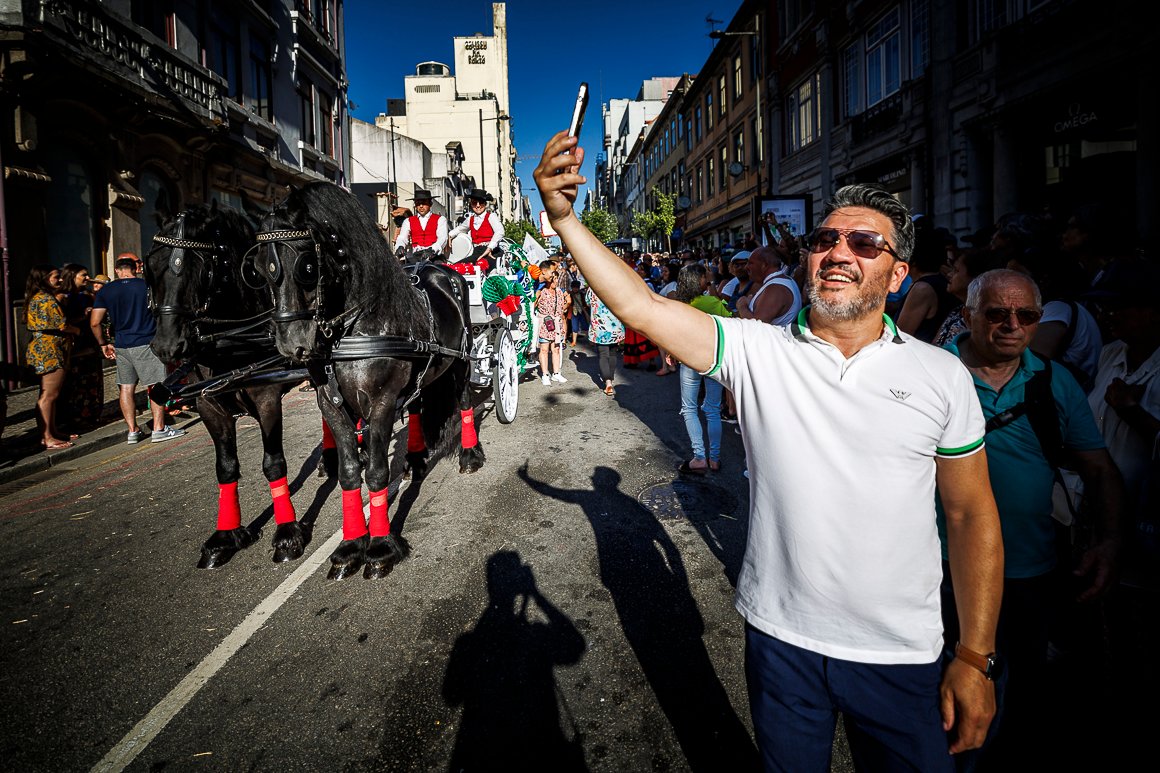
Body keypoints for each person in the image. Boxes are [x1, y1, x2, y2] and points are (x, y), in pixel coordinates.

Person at [535, 130, 1004, 770]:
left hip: (902, 654)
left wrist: (975, 656)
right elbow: (640, 305)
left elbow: (971, 516)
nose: (839, 253)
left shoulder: (941, 374)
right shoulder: (760, 350)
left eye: (864, 243)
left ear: (897, 274)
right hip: (782, 643)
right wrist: (564, 219)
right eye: (824, 240)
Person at [938, 268, 1123, 769]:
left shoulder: (1053, 381)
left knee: (1020, 698)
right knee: (942, 699)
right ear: (970, 316)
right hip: (939, 570)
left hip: (1029, 573)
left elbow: (1100, 470)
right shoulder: (933, 371)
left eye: (1027, 315)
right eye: (997, 314)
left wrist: (1108, 544)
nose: (1012, 325)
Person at [90, 255, 185, 444]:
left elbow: (94, 322)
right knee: (156, 385)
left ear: (117, 270)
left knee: (126, 388)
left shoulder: (106, 290)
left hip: (122, 345)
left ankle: (132, 431)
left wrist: (103, 344)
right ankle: (159, 429)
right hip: (146, 342)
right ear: (135, 268)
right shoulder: (146, 286)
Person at [673, 263, 731, 474]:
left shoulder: (678, 304)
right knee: (713, 408)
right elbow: (732, 320)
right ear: (700, 281)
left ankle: (699, 457)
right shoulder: (712, 302)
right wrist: (713, 287)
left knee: (689, 408)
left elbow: (672, 333)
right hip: (712, 358)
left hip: (688, 359)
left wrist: (671, 352)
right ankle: (714, 459)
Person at [25, 264, 80, 450]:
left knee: (49, 394)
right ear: (44, 278)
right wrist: (77, 330)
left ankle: (52, 431)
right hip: (50, 350)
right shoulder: (45, 300)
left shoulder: (39, 298)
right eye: (56, 277)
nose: (61, 280)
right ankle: (47, 436)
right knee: (49, 395)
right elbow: (62, 325)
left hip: (46, 348)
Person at [57, 263, 104, 432]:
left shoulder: (87, 295)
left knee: (92, 382)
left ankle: (92, 415)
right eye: (83, 275)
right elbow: (61, 323)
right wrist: (82, 317)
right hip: (74, 346)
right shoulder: (63, 297)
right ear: (72, 276)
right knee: (75, 385)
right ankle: (74, 419)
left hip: (89, 343)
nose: (87, 278)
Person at [735, 245, 802, 326]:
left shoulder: (776, 288)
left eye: (750, 263)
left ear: (764, 265)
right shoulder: (779, 282)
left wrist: (742, 306)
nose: (746, 267)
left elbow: (756, 326)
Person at [584, 283, 624, 396]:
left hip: (600, 327)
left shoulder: (592, 288)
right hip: (614, 326)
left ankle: (608, 382)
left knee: (603, 354)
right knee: (612, 353)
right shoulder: (614, 287)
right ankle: (610, 379)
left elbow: (587, 302)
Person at [448, 189, 503, 264]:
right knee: (458, 266)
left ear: (485, 204)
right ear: (471, 204)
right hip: (476, 252)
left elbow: (500, 231)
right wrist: (450, 236)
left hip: (492, 252)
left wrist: (490, 248)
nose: (478, 205)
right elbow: (460, 229)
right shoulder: (470, 219)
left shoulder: (491, 216)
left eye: (481, 202)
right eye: (474, 203)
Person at [393, 188, 448, 262]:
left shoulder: (441, 219)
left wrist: (432, 249)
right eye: (418, 203)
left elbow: (443, 238)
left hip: (434, 257)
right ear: (415, 205)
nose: (421, 206)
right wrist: (400, 246)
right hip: (416, 256)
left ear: (430, 204)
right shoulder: (408, 221)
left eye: (424, 203)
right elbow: (402, 237)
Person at [534, 267, 569, 385]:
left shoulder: (560, 292)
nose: (555, 281)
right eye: (553, 279)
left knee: (556, 349)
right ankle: (545, 375)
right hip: (545, 323)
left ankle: (556, 373)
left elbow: (567, 303)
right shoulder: (541, 291)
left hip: (557, 323)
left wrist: (561, 313)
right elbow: (533, 306)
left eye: (557, 279)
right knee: (544, 349)